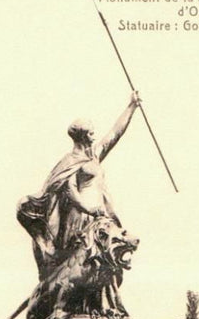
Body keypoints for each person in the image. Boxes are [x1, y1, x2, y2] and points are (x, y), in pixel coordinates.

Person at [17, 92, 141, 280]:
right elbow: (70, 190)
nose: (94, 136)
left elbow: (114, 134)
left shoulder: (94, 155)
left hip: (100, 215)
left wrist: (131, 106)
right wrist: (89, 209)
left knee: (107, 261)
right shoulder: (71, 161)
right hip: (81, 217)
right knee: (84, 259)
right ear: (82, 137)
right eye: (91, 133)